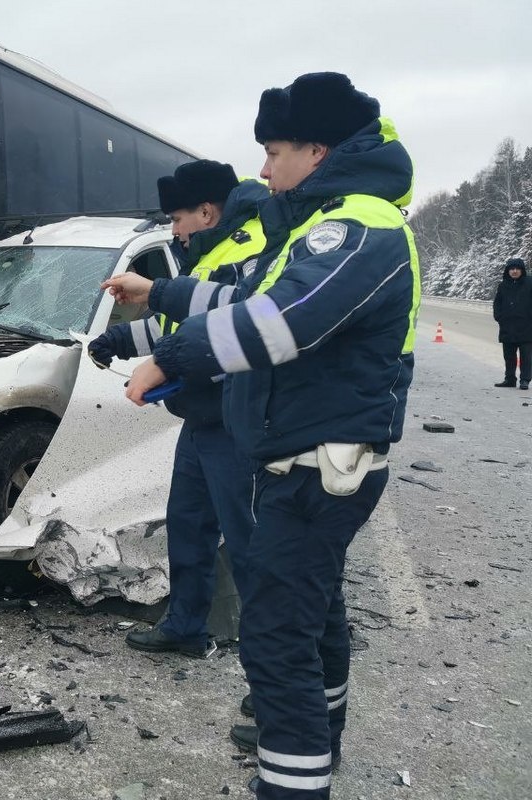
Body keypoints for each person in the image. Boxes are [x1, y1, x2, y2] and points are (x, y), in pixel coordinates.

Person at [110, 72, 419, 799]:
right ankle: (321, 741)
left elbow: (280, 321)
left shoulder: (360, 225)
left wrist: (167, 357)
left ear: (318, 149)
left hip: (317, 465)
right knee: (313, 615)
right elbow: (243, 296)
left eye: (275, 151)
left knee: (278, 636)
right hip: (311, 457)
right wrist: (160, 294)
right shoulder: (325, 223)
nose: (264, 167)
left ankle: (292, 781)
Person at [88, 160, 267, 658]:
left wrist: (160, 301)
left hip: (238, 420)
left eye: (178, 219)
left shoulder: (253, 248)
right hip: (202, 419)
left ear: (206, 211)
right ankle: (186, 627)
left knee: (250, 544)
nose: (174, 229)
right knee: (188, 526)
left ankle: (271, 660)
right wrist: (122, 338)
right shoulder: (208, 252)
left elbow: (242, 317)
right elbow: (182, 328)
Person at [492, 256, 532, 389]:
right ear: (508, 271)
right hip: (507, 327)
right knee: (509, 356)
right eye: (512, 269)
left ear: (522, 270)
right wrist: (499, 317)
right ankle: (510, 379)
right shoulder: (503, 285)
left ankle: (525, 380)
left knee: (526, 357)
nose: (514, 271)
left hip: (526, 327)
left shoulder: (529, 283)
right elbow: (497, 303)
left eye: (517, 269)